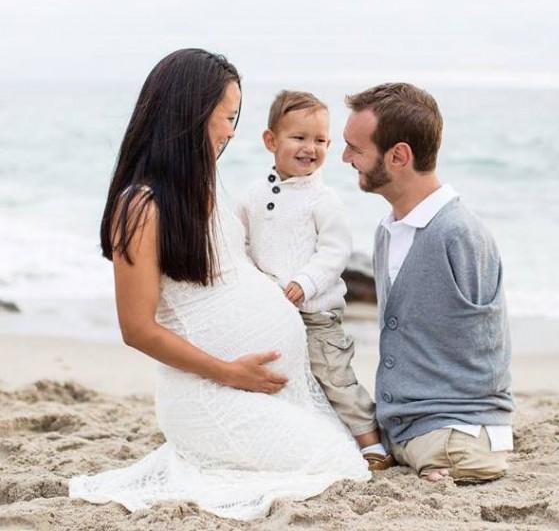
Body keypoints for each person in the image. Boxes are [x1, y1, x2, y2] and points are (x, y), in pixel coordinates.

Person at [68, 49, 369, 522]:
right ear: (191, 112)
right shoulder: (141, 205)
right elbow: (136, 328)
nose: (232, 130)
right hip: (211, 392)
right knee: (339, 465)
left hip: (256, 386)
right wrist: (227, 372)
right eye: (228, 116)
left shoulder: (200, 186)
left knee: (342, 455)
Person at [341, 82, 515, 483]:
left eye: (356, 148)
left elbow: (488, 349)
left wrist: (464, 445)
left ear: (399, 156)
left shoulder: (458, 234)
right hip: (403, 425)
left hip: (455, 429)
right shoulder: (389, 230)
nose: (345, 157)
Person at [235, 90, 392, 470]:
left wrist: (305, 282)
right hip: (269, 311)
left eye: (320, 140)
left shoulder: (323, 200)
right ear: (271, 141)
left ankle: (371, 441)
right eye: (299, 138)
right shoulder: (252, 197)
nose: (311, 148)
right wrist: (251, 284)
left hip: (315, 314)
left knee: (333, 376)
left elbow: (334, 253)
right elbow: (237, 245)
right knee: (280, 379)